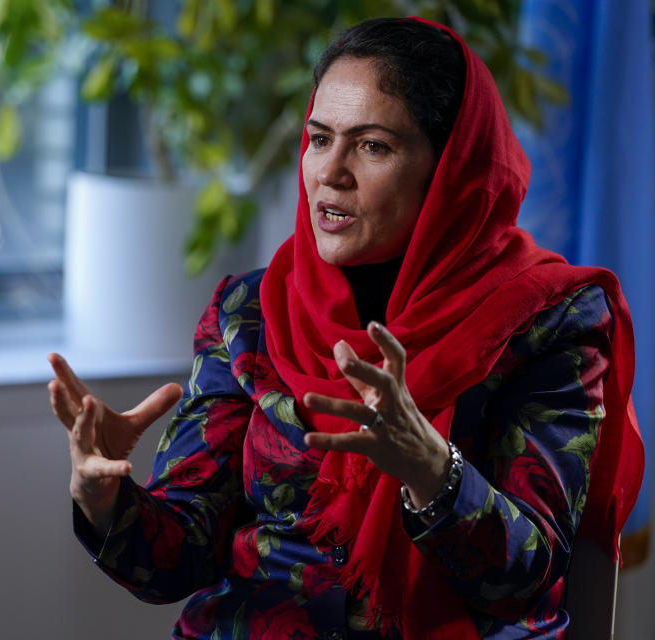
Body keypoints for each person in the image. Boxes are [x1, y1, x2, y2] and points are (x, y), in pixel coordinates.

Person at [47, 17, 643, 640]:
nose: (330, 172)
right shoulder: (248, 311)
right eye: (319, 138)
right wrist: (106, 498)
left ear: (449, 171)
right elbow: (178, 561)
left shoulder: (549, 320)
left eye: (373, 146)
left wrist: (434, 471)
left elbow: (528, 576)